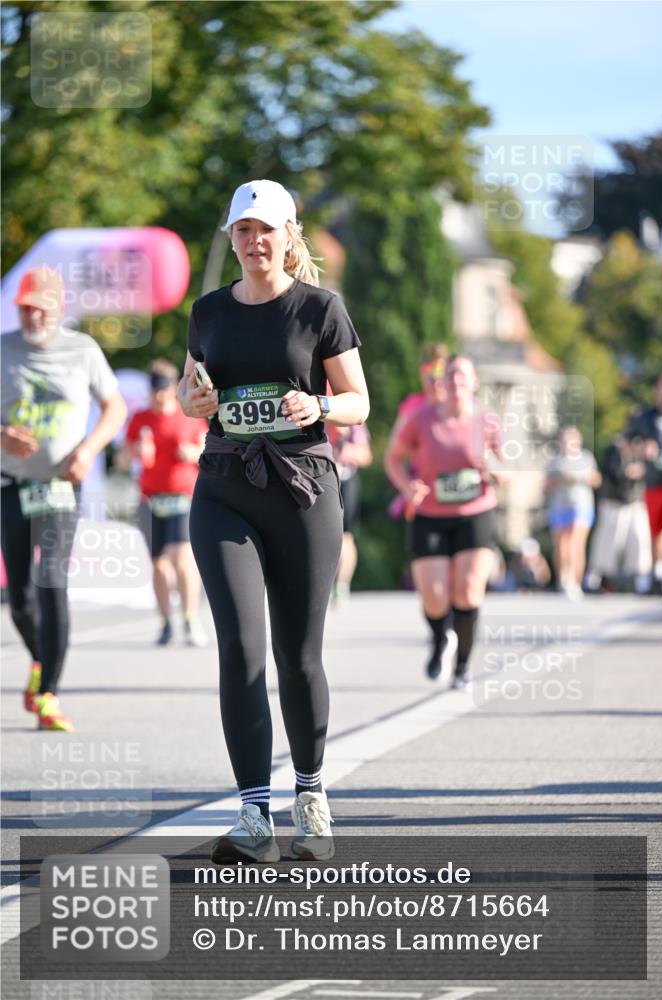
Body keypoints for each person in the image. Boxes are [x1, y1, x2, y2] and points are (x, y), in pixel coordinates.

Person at [179, 179, 369, 863]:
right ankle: (253, 815)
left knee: (299, 655)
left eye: (267, 230)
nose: (255, 243)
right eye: (242, 231)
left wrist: (317, 406)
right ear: (229, 238)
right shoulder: (206, 311)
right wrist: (188, 399)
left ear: (289, 235)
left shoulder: (320, 307)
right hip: (225, 486)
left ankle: (311, 797)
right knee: (240, 650)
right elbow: (190, 388)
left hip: (302, 490)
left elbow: (358, 402)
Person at [0, 266, 126, 731]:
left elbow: (115, 407)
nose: (32, 315)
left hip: (60, 487)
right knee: (19, 598)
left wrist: (88, 451)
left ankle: (49, 692)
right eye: (25, 307)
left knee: (51, 579)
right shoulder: (3, 349)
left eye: (41, 307)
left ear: (58, 309)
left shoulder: (82, 350)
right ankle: (41, 661)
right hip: (11, 485)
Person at [384, 354, 503, 690]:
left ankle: (462, 667)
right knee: (434, 597)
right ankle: (439, 639)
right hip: (430, 515)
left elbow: (510, 472)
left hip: (475, 513)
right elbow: (393, 458)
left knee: (467, 591)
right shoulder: (420, 418)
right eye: (450, 376)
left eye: (463, 376)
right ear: (442, 382)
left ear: (474, 382)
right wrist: (408, 486)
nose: (455, 382)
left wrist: (493, 466)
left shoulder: (487, 420)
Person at [118, 359, 209, 647]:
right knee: (158, 564)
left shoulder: (190, 415)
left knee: (182, 556)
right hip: (150, 498)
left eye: (164, 389)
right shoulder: (140, 418)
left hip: (183, 495)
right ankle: (166, 621)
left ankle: (190, 618)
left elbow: (209, 453)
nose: (159, 395)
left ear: (173, 389)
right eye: (154, 389)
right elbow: (121, 461)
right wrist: (135, 451)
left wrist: (192, 452)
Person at [388, 344, 448, 521]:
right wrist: (406, 486)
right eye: (430, 375)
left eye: (440, 375)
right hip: (422, 492)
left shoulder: (463, 406)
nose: (435, 381)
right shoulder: (413, 406)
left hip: (460, 496)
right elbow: (393, 455)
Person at [585, 434, 652, 593]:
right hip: (614, 502)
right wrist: (629, 472)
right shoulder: (614, 451)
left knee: (639, 540)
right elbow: (612, 473)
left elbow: (652, 472)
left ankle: (642, 580)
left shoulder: (644, 451)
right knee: (607, 542)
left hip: (635, 502)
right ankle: (594, 578)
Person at [545, 426, 601, 599]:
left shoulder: (585, 458)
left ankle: (575, 581)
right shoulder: (555, 460)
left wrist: (583, 476)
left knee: (576, 543)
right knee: (562, 545)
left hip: (581, 505)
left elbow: (596, 480)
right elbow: (546, 485)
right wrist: (560, 478)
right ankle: (563, 578)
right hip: (560, 506)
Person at [625, 373, 662, 592]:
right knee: (656, 530)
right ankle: (658, 572)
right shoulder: (646, 417)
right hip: (654, 482)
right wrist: (642, 450)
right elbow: (625, 442)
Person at [326, 422, 372, 606]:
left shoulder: (354, 422)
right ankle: (324, 583)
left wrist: (346, 450)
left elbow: (366, 456)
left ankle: (341, 585)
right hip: (323, 480)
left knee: (346, 537)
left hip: (347, 480)